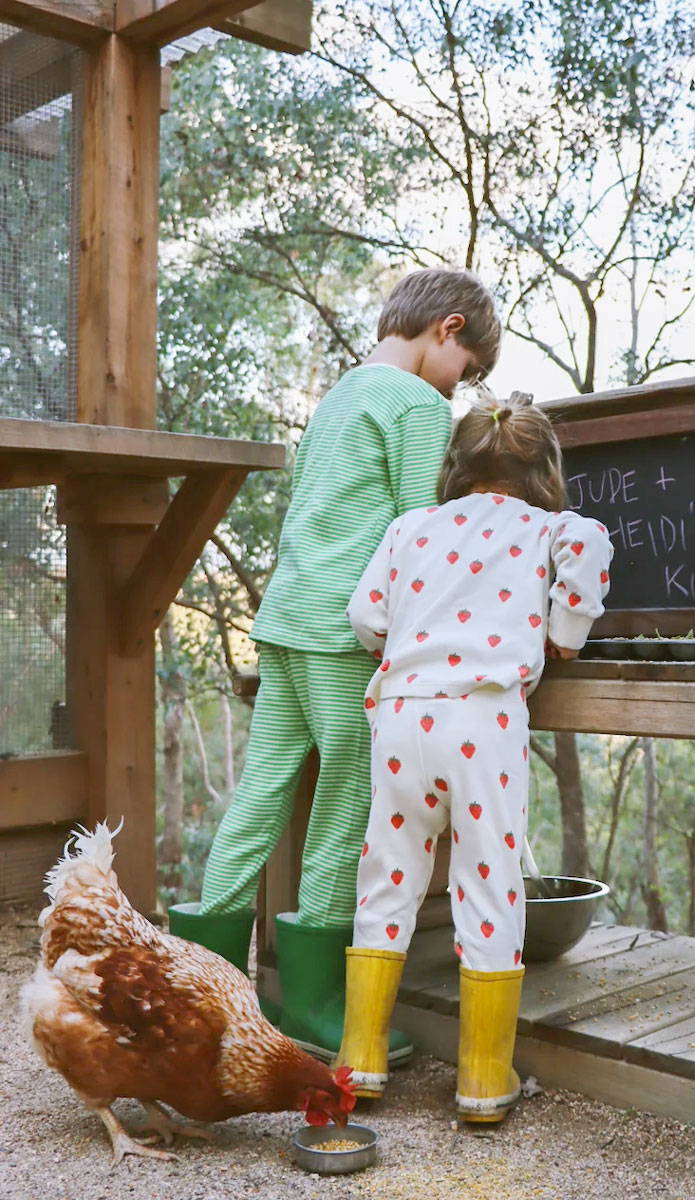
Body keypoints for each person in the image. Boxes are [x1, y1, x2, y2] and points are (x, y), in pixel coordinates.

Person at [168, 268, 502, 1067]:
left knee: (263, 789)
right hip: (343, 632)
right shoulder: (421, 405)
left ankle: (202, 987)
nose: (465, 388)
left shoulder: (345, 392)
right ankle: (311, 1004)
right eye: (472, 369)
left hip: (286, 616)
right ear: (448, 330)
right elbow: (416, 532)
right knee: (347, 801)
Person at [336, 392, 613, 1121]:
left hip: (400, 714)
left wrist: (407, 641)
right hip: (482, 719)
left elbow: (365, 616)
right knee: (488, 884)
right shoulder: (550, 527)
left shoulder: (411, 527)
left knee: (388, 877)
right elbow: (589, 548)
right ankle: (484, 1079)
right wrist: (565, 629)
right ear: (544, 471)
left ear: (456, 467)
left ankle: (359, 1061)